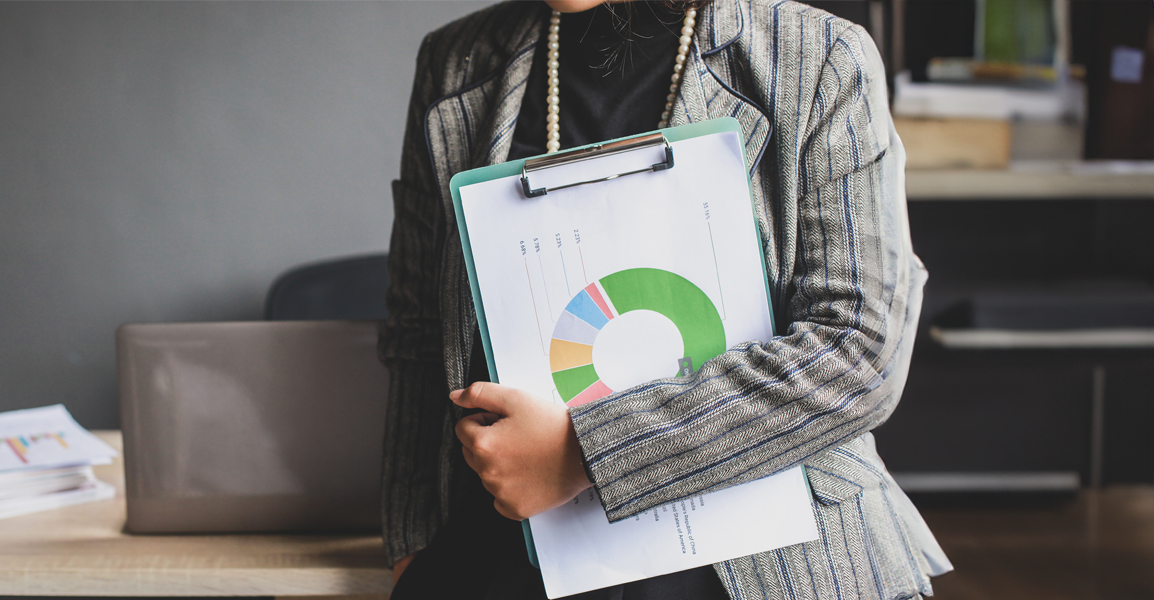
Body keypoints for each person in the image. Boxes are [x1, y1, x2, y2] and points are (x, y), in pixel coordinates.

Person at [377, 0, 952, 598]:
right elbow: (419, 330)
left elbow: (858, 349)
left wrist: (586, 452)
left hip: (768, 560)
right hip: (509, 550)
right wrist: (411, 546)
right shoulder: (456, 63)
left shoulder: (822, 56)